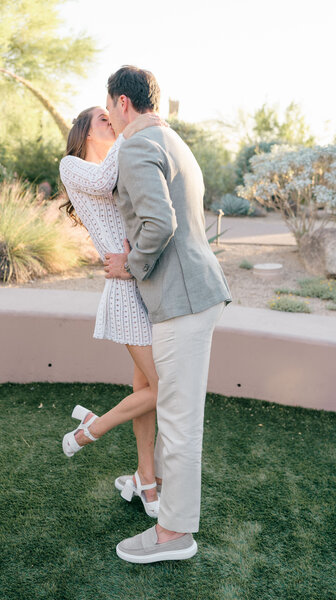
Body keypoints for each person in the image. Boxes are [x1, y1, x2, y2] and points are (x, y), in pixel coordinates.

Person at [104, 66, 232, 563]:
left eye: (109, 111)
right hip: (195, 294)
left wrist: (128, 264)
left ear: (120, 103)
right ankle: (158, 501)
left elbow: (159, 223)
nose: (111, 121)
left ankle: (174, 534)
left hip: (181, 300)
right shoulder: (172, 139)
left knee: (178, 422)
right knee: (177, 414)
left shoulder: (136, 145)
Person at [59, 106, 167, 518]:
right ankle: (92, 429)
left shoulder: (114, 164)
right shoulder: (73, 166)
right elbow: (104, 180)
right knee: (163, 389)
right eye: (102, 118)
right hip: (124, 294)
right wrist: (137, 125)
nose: (111, 122)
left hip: (141, 284)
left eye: (112, 117)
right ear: (85, 131)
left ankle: (146, 478)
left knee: (147, 392)